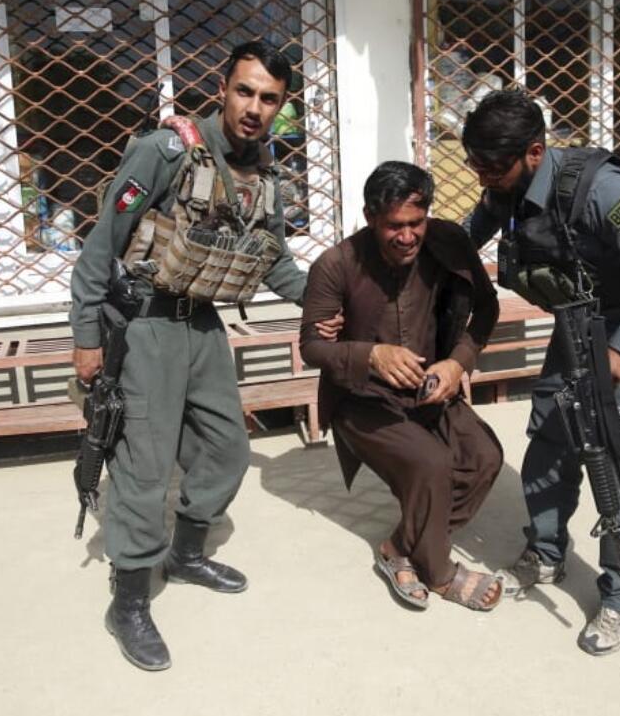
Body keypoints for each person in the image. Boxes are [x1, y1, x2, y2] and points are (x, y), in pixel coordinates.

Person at [69, 41, 310, 671]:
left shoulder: (265, 173)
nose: (255, 108)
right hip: (145, 324)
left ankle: (188, 553)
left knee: (226, 448)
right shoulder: (166, 150)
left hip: (203, 325)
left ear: (281, 107)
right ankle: (128, 601)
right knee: (144, 469)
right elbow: (102, 247)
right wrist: (86, 338)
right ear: (223, 88)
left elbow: (276, 260)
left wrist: (333, 299)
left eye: (269, 99)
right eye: (245, 91)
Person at [461, 89, 620, 655]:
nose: (484, 179)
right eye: (477, 166)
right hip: (575, 331)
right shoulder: (506, 187)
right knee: (549, 447)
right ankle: (544, 554)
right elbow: (469, 236)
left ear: (534, 152)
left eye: (493, 167)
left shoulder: (600, 190)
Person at [299, 161, 505, 612]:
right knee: (431, 464)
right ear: (372, 217)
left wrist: (457, 364)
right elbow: (312, 347)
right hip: (361, 400)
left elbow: (487, 311)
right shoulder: (335, 265)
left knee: (485, 457)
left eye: (416, 223)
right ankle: (440, 572)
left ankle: (400, 546)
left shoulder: (449, 242)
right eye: (394, 225)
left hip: (431, 388)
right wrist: (371, 355)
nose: (408, 236)